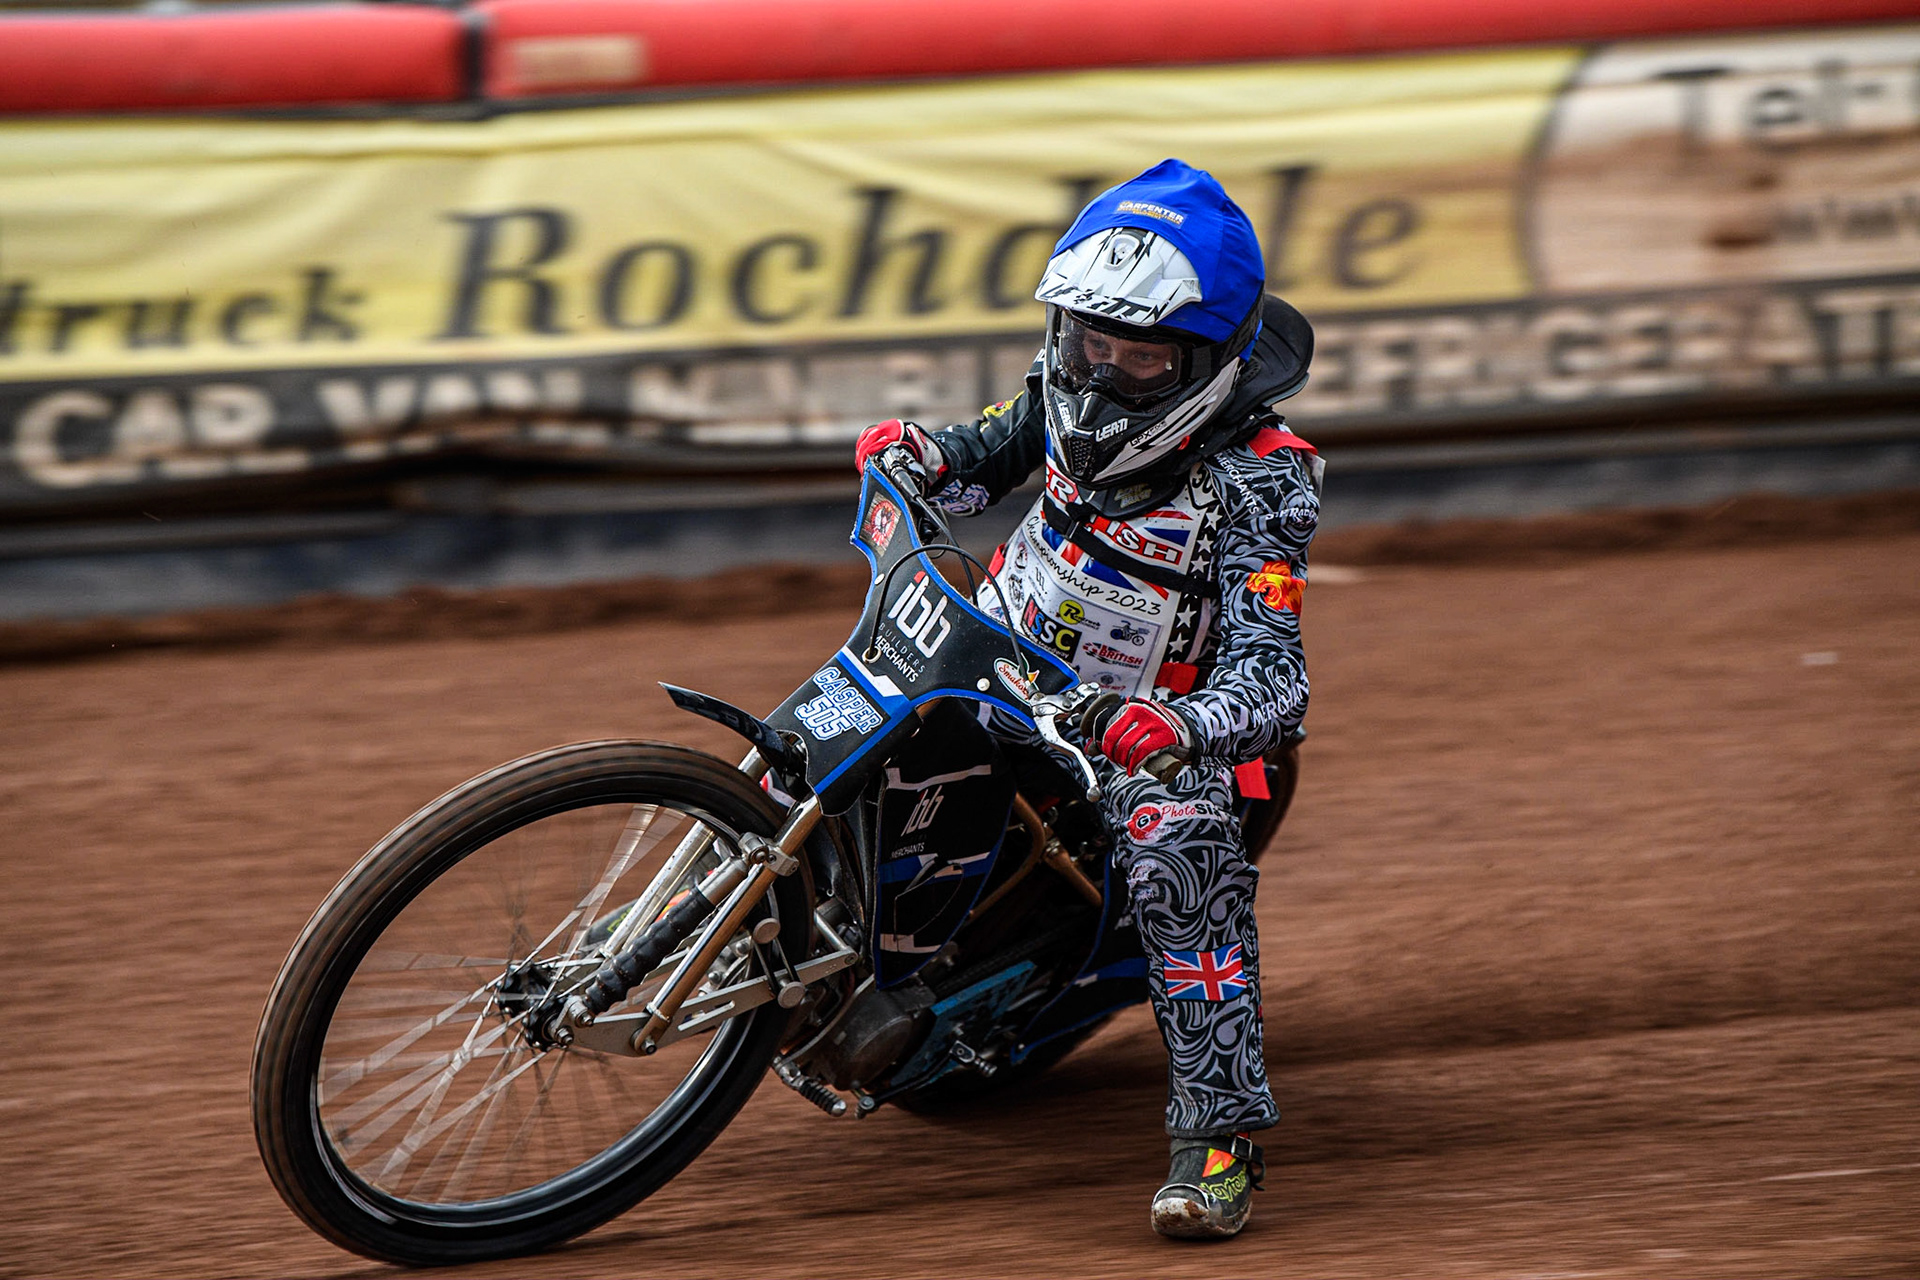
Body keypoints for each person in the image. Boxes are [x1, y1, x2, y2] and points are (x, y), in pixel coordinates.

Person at [854, 158, 1321, 1240]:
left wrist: (1182, 723)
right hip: (995, 654)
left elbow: (1276, 674)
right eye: (1087, 342)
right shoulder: (1065, 379)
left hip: (1145, 733)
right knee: (857, 716)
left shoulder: (1263, 477)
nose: (1103, 375)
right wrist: (918, 455)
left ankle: (1217, 1138)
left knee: (1178, 860)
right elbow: (983, 456)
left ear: (1210, 361)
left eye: (1140, 356)